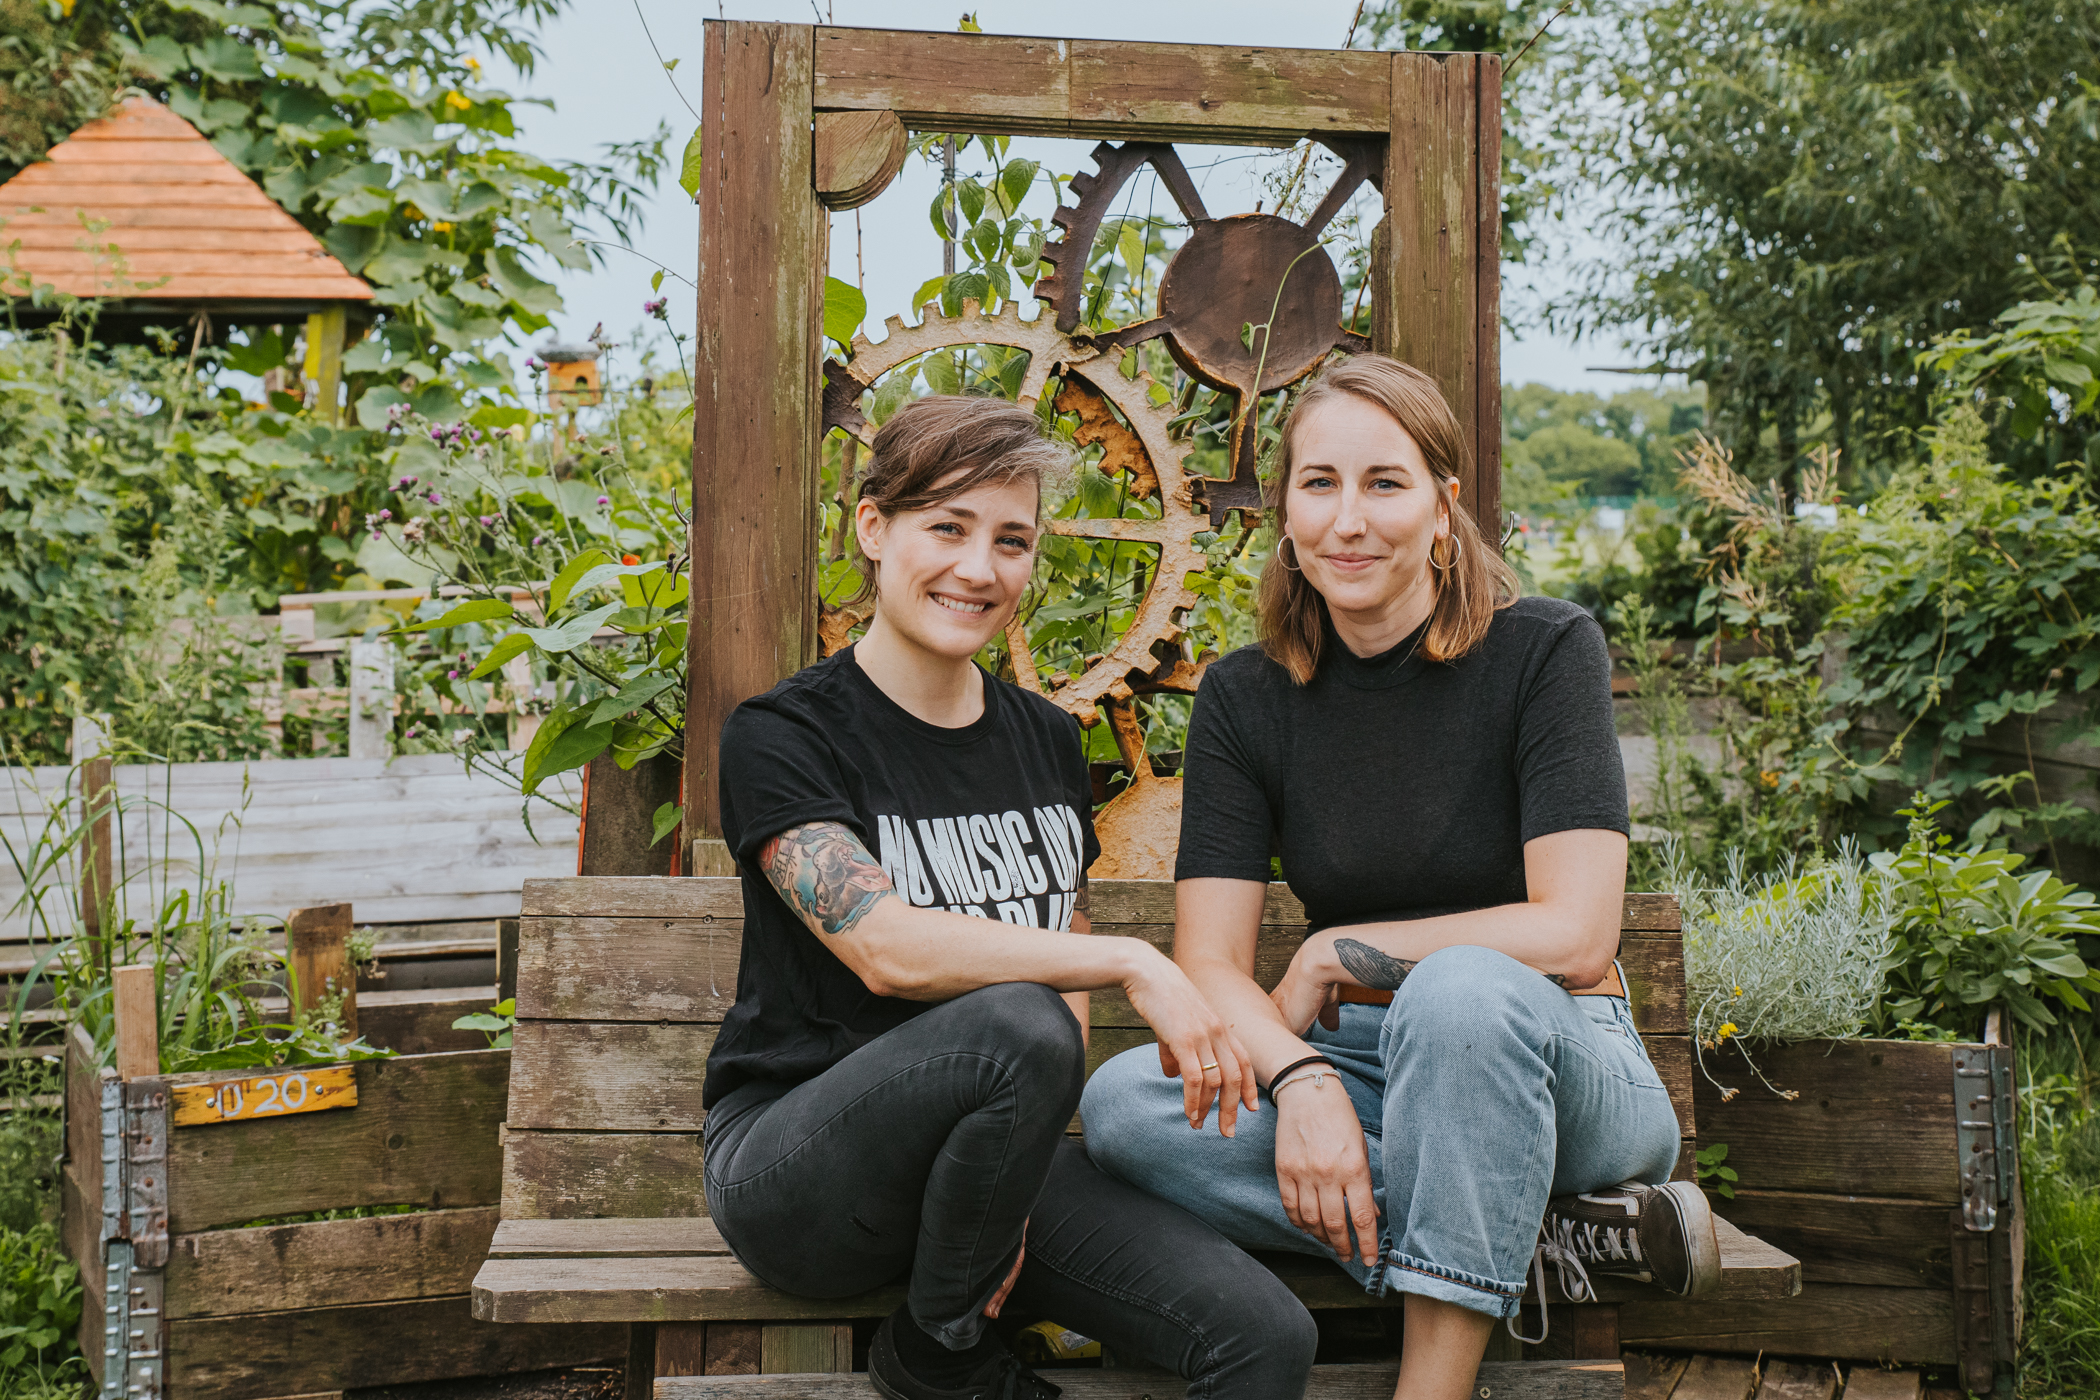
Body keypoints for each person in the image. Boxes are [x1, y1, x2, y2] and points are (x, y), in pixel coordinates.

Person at [1080, 356, 1717, 1400]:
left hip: (1561, 1060)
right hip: (1369, 1066)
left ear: (1442, 507)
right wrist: (1303, 1077)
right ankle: (1540, 1242)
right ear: (1285, 511)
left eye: (1386, 482)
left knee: (1460, 985)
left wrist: (1335, 948)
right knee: (1123, 1105)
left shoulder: (1545, 650)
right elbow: (1209, 962)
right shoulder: (1248, 696)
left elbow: (1575, 933)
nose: (1350, 518)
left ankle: (1435, 1384)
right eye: (1320, 483)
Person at [700, 395, 1320, 1400]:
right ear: (873, 527)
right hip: (800, 1169)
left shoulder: (1039, 736)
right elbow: (884, 947)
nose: (979, 567)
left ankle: (951, 1309)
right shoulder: (785, 733)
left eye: (1012, 539)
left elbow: (1051, 936)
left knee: (1263, 1338)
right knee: (1019, 1021)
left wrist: (1012, 1167)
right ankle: (941, 1355)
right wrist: (1133, 958)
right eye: (946, 526)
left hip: (980, 1164)